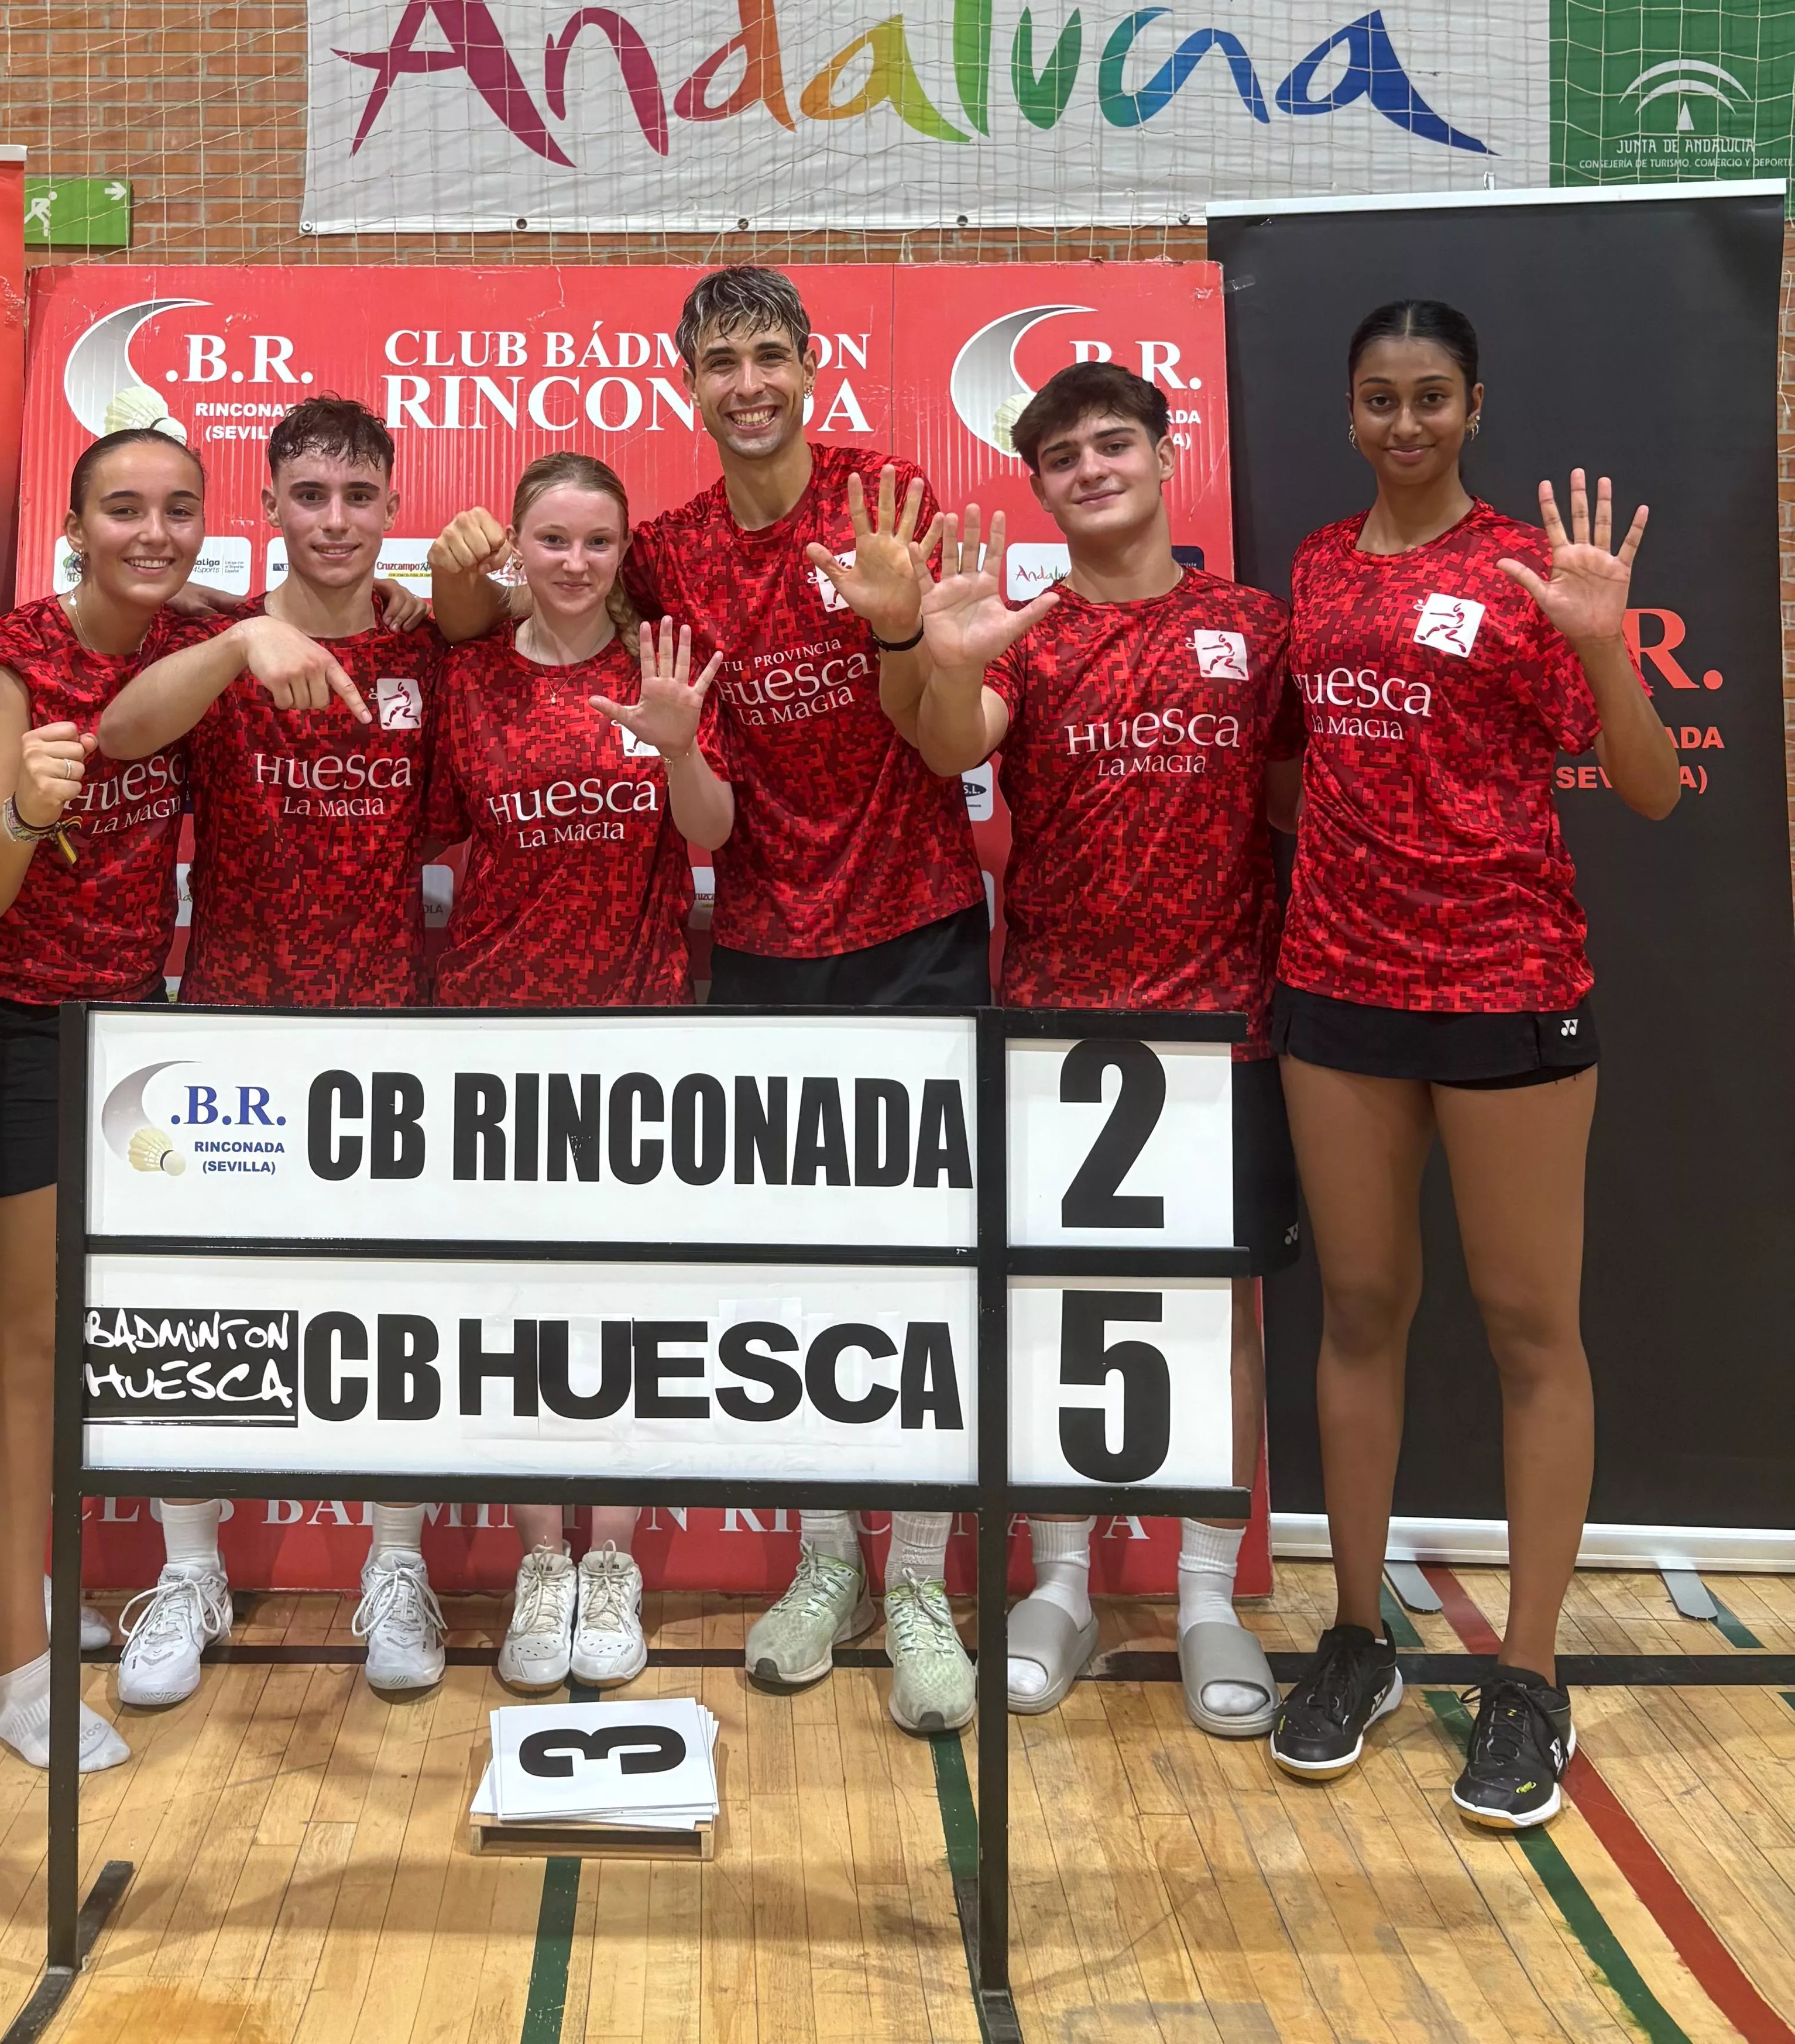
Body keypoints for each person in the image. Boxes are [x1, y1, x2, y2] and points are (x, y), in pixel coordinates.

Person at [433, 264, 989, 1735]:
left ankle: (918, 1585)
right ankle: (827, 1562)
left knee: (924, 1275)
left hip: (916, 924)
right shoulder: (669, 548)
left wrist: (898, 629)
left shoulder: (885, 498)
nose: (748, 383)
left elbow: (940, 723)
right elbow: (522, 614)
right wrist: (466, 562)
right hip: (757, 938)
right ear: (688, 381)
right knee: (797, 1275)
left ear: (812, 363)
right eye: (720, 361)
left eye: (769, 355)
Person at [1266, 298, 1679, 1829]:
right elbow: (1304, 766)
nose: (1405, 424)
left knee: (1528, 1329)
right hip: (1337, 985)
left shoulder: (1529, 569)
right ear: (1350, 411)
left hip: (1507, 985)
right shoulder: (1316, 567)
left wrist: (1604, 645)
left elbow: (1649, 790)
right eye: (1380, 398)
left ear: (1475, 407)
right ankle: (1357, 1639)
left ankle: (1529, 1675)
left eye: (1431, 397)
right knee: (1361, 1309)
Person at [887, 361, 1303, 1737]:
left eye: (1113, 443)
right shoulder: (1027, 627)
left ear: (1164, 454)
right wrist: (951, 657)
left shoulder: (1253, 625)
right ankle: (1059, 1583)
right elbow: (953, 743)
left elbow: (1297, 800)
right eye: (1061, 457)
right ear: (1040, 485)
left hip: (1224, 1028)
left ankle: (1207, 1595)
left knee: (1219, 1315)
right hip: (1059, 1028)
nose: (1090, 470)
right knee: (1056, 1308)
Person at [96, 396, 450, 1702]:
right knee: (196, 1315)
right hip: (226, 1042)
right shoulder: (209, 643)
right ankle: (189, 1571)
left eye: (359, 497)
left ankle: (396, 1565)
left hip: (387, 1042)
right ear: (270, 507)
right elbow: (120, 733)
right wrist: (244, 635)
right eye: (310, 495)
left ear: (392, 505)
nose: (336, 521)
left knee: (393, 1318)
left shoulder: (428, 653)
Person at [0, 425, 238, 1763]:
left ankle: (20, 1587)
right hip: (4, 1029)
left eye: (177, 509)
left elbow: (307, 618)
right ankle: (16, 1672)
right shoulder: (10, 664)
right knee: (24, 1353)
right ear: (73, 526)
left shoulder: (194, 639)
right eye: (123, 508)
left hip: (131, 1032)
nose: (152, 532)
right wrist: (21, 814)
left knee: (92, 1341)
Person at [425, 451, 733, 1691]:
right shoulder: (468, 677)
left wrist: (680, 748)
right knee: (516, 1317)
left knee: (625, 1311)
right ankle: (541, 1560)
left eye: (597, 541)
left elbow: (711, 830)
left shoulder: (664, 664)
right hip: (493, 1034)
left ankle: (612, 1560)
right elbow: (429, 830)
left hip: (637, 1033)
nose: (574, 562)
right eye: (551, 539)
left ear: (623, 551)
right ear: (516, 547)